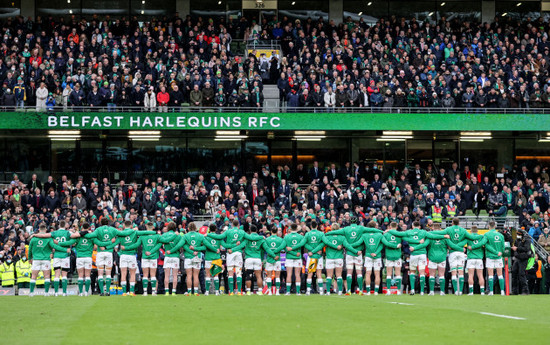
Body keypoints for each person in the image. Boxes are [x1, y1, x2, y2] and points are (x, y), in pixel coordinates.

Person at [390, 221, 447, 295]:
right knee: (422, 273)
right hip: (422, 254)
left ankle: (413, 290)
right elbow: (433, 236)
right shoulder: (423, 232)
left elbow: (399, 234)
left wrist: (389, 230)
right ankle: (422, 291)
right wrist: (443, 236)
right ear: (419, 226)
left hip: (414, 254)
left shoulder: (409, 232)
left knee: (412, 272)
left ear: (413, 226)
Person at [329, 217, 383, 294]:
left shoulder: (346, 228)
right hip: (358, 253)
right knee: (359, 273)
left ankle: (348, 290)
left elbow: (336, 232)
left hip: (349, 253)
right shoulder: (360, 228)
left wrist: (326, 233)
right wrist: (382, 231)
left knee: (349, 273)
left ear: (350, 221)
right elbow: (372, 229)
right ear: (357, 221)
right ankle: (360, 290)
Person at [33, 220, 80, 296]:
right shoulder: (68, 233)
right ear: (65, 226)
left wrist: (35, 235)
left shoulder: (54, 233)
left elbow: (44, 235)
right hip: (65, 255)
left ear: (58, 226)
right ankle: (64, 293)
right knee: (64, 275)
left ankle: (56, 292)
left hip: (57, 256)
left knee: (57, 274)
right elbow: (75, 237)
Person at [434, 218, 476, 295]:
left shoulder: (449, 229)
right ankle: (460, 291)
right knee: (461, 272)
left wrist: (452, 244)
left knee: (453, 272)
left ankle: (456, 291)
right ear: (459, 223)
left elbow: (439, 233)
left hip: (452, 253)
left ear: (452, 222)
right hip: (460, 253)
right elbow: (471, 238)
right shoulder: (463, 230)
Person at [117, 220, 156, 296]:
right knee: (132, 274)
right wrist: (155, 232)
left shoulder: (121, 233)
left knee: (123, 274)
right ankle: (132, 292)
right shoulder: (134, 232)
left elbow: (115, 240)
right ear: (131, 225)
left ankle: (124, 292)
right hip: (132, 255)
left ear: (124, 226)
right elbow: (146, 232)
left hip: (123, 255)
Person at [322, 223, 359, 295]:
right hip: (339, 258)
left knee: (329, 276)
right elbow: (347, 246)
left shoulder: (327, 236)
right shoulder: (342, 237)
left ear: (331, 229)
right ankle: (340, 291)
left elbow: (322, 244)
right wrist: (356, 251)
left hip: (330, 257)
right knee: (339, 275)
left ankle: (328, 292)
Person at [28, 224, 63, 296]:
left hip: (36, 259)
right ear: (46, 229)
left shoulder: (34, 238)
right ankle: (46, 293)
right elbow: (54, 246)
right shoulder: (48, 238)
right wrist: (63, 249)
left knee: (33, 276)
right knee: (46, 276)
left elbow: (30, 249)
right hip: (46, 259)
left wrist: (29, 258)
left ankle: (31, 293)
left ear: (39, 229)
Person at [241, 224, 276, 295]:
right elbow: (267, 249)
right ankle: (260, 291)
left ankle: (248, 291)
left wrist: (232, 249)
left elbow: (241, 246)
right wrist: (274, 255)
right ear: (257, 230)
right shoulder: (261, 238)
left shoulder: (247, 238)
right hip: (257, 258)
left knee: (248, 275)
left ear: (250, 230)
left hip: (249, 258)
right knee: (258, 276)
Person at [158, 222, 184, 296]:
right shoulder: (178, 236)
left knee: (167, 275)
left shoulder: (165, 235)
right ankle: (173, 291)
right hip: (175, 256)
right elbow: (180, 246)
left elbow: (161, 243)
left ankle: (166, 291)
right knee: (175, 275)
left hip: (167, 256)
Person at [221, 220, 246, 295]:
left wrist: (227, 246)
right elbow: (249, 238)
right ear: (238, 224)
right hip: (238, 253)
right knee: (238, 273)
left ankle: (231, 291)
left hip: (230, 253)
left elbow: (220, 237)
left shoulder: (228, 231)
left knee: (230, 272)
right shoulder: (241, 232)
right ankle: (238, 291)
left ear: (231, 224)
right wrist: (261, 237)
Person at [181, 222, 206, 296]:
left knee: (189, 275)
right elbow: (205, 247)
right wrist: (196, 249)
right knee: (196, 275)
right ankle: (195, 292)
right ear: (196, 228)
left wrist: (191, 251)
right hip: (196, 257)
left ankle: (189, 292)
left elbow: (182, 245)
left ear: (188, 228)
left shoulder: (185, 236)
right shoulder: (200, 236)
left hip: (188, 257)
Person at [139, 221, 163, 296]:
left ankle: (145, 292)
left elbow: (137, 244)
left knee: (145, 275)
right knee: (153, 275)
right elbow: (161, 243)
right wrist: (152, 251)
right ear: (153, 227)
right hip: (153, 257)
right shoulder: (157, 236)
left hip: (145, 256)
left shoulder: (142, 236)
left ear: (146, 227)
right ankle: (153, 292)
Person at [361, 221, 383, 295]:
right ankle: (376, 291)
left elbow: (359, 243)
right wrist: (376, 253)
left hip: (368, 255)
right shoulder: (379, 234)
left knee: (368, 274)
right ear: (375, 226)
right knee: (377, 274)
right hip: (377, 256)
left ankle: (368, 291)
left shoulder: (364, 235)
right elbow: (383, 244)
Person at [283, 223, 307, 295]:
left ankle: (288, 291)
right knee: (297, 275)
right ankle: (298, 292)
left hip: (289, 257)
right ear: (297, 229)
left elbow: (285, 248)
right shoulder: (300, 237)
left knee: (289, 275)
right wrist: (295, 252)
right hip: (297, 257)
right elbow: (301, 244)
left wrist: (291, 249)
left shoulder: (286, 237)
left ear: (290, 228)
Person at [483, 221, 506, 296]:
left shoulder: (486, 234)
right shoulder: (500, 235)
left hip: (490, 256)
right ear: (495, 226)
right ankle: (502, 291)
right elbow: (503, 247)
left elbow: (486, 245)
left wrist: (495, 252)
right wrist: (499, 253)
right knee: (500, 275)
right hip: (499, 257)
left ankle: (491, 292)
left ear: (489, 226)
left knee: (490, 275)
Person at [202, 223, 225, 296]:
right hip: (216, 258)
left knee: (208, 275)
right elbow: (223, 247)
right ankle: (217, 292)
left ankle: (207, 292)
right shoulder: (219, 237)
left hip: (208, 257)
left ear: (209, 229)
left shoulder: (206, 237)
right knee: (216, 275)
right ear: (216, 229)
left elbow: (205, 246)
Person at [303, 221, 326, 295]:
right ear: (317, 226)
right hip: (318, 256)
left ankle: (308, 291)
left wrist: (312, 251)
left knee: (310, 274)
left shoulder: (307, 234)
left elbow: (304, 243)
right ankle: (321, 291)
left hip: (311, 256)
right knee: (319, 274)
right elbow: (324, 243)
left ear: (310, 226)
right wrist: (316, 250)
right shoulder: (321, 233)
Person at [382, 222, 403, 295]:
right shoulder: (400, 234)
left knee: (388, 274)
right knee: (398, 274)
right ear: (397, 227)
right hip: (397, 256)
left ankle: (388, 290)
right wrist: (397, 245)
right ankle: (399, 291)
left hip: (389, 255)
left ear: (390, 227)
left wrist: (386, 231)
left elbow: (386, 243)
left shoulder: (386, 234)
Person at [465, 226, 487, 295]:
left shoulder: (468, 237)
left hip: (471, 258)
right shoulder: (481, 237)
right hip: (479, 258)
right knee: (480, 275)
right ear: (477, 231)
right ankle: (482, 291)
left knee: (470, 275)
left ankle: (471, 292)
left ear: (470, 231)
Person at [264, 225, 286, 295]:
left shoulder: (267, 239)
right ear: (277, 232)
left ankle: (269, 291)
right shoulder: (281, 240)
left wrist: (272, 254)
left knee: (269, 276)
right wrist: (275, 254)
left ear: (271, 232)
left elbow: (266, 249)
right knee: (277, 276)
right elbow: (282, 247)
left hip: (269, 259)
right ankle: (277, 291)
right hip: (277, 258)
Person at [511, 229, 532, 295]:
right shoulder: (517, 240)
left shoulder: (527, 240)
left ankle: (525, 290)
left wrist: (517, 249)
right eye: (517, 234)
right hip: (517, 258)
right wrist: (516, 251)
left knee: (521, 274)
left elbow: (526, 248)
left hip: (523, 259)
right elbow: (515, 248)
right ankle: (515, 291)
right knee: (514, 273)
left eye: (519, 234)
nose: (518, 235)